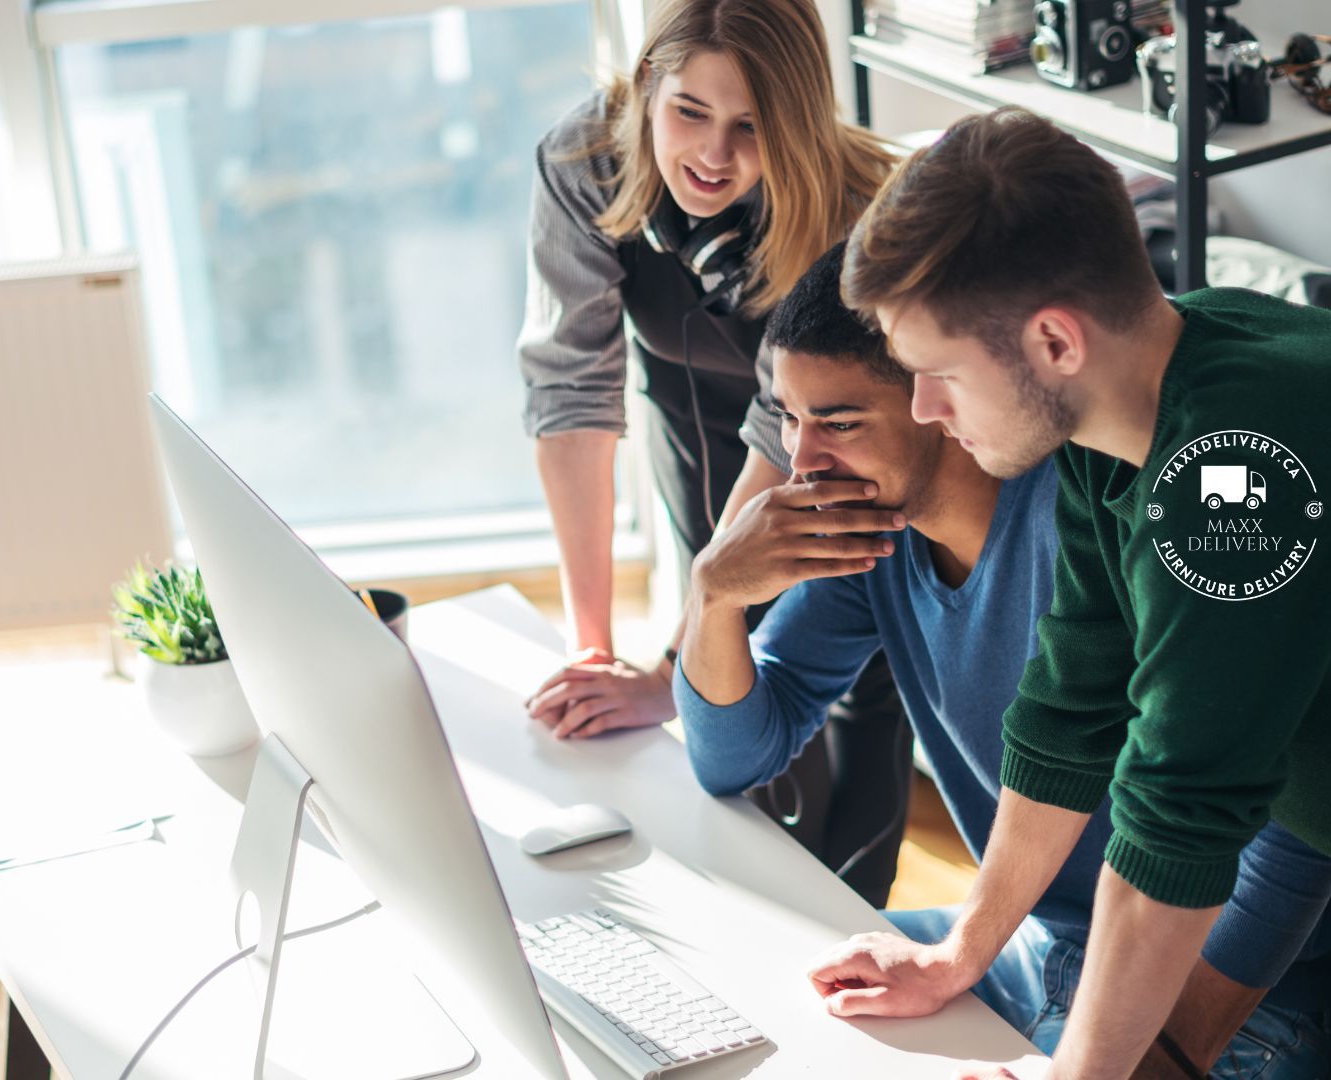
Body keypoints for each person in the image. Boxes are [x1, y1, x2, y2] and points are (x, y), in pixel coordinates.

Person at [675, 242, 1331, 1077]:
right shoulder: (875, 534)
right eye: (790, 418)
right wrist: (715, 594)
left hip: (1220, 996)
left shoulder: (1148, 495)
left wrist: (1159, 1052)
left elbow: (1285, 830)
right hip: (1042, 946)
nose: (801, 463)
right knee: (745, 987)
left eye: (838, 421)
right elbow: (735, 756)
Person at [517, 0, 907, 904]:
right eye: (689, 111)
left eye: (751, 126)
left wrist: (673, 666)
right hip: (694, 443)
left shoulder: (856, 214)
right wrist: (597, 649)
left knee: (839, 814)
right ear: (649, 84)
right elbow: (572, 395)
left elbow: (785, 429)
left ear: (799, 121)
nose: (712, 156)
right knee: (725, 781)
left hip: (830, 477)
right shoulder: (583, 165)